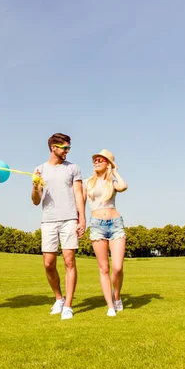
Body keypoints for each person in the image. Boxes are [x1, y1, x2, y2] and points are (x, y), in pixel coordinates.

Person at [31, 133, 86, 320]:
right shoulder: (39, 169)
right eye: (65, 148)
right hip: (48, 220)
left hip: (69, 219)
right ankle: (59, 299)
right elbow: (35, 201)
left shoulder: (73, 168)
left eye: (69, 148)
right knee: (48, 264)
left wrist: (82, 218)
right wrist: (35, 186)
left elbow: (79, 194)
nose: (67, 151)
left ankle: (68, 306)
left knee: (69, 261)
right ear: (53, 147)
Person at [83, 149, 128, 317]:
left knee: (117, 267)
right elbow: (80, 202)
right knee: (104, 268)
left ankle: (117, 296)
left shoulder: (112, 182)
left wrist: (114, 171)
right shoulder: (88, 183)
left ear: (108, 163)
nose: (96, 162)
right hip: (97, 225)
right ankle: (110, 306)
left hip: (115, 224)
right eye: (95, 159)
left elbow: (123, 186)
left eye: (100, 160)